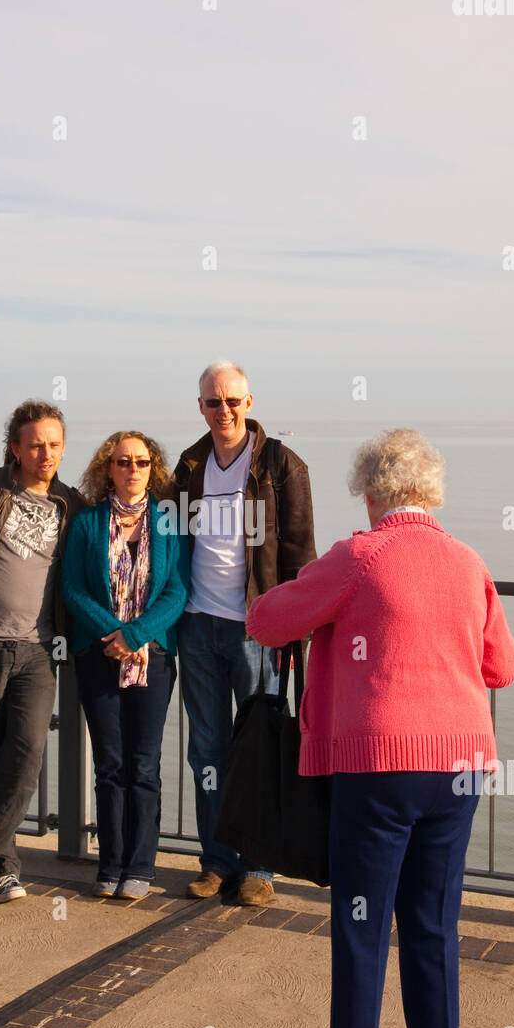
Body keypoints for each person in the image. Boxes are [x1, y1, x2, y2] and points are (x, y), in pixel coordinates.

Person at [247, 428, 514, 1028]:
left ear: (369, 494)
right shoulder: (467, 562)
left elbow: (266, 619)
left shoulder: (360, 556)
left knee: (362, 931)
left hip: (379, 769)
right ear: (429, 493)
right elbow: (502, 666)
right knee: (430, 928)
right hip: (457, 768)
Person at [172, 361, 316, 907]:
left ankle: (259, 868)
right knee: (206, 753)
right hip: (197, 626)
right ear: (201, 407)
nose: (224, 411)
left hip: (259, 631)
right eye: (214, 402)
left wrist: (297, 634)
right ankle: (216, 862)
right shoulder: (190, 465)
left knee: (260, 750)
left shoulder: (281, 464)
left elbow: (302, 553)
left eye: (233, 401)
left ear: (249, 403)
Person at [0, 400, 84, 903]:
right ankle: (2, 867)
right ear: (15, 448)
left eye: (53, 444)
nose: (45, 453)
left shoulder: (73, 503)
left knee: (26, 751)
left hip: (39, 649)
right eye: (35, 445)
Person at [62, 433, 188, 899]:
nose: (133, 469)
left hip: (152, 658)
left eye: (142, 461)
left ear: (152, 468)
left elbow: (178, 590)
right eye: (123, 461)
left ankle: (140, 867)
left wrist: (136, 635)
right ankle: (109, 866)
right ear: (108, 468)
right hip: (99, 657)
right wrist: (114, 634)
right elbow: (72, 588)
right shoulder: (87, 524)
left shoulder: (169, 524)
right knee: (110, 764)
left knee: (143, 764)